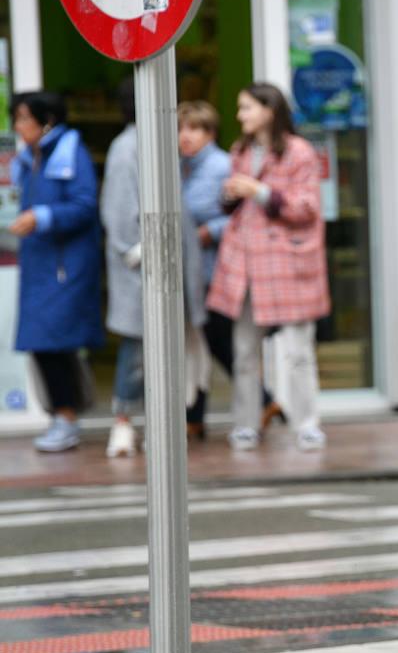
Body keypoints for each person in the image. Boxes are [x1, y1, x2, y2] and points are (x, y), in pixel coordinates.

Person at [207, 82, 329, 452]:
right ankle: (245, 422)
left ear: (268, 110)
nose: (239, 115)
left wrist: (258, 192)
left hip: (287, 264)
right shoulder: (240, 150)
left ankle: (307, 423)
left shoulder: (299, 152)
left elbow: (306, 207)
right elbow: (230, 205)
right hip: (245, 263)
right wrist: (231, 194)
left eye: (246, 108)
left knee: (297, 351)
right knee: (244, 350)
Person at [100, 79, 206, 457]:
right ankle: (123, 422)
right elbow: (118, 209)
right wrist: (137, 250)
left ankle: (156, 423)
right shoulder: (127, 147)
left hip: (162, 259)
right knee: (137, 345)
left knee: (158, 345)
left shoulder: (151, 142)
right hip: (143, 262)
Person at [7, 91, 102, 453]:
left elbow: (83, 205)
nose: (18, 127)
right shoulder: (32, 156)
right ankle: (63, 415)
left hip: (65, 267)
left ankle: (66, 417)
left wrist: (41, 217)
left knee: (54, 341)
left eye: (24, 119)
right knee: (44, 342)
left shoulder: (68, 150)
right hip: (42, 263)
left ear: (46, 120)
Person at [180, 99, 264, 442]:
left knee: (215, 341)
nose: (185, 136)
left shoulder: (220, 165)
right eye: (181, 127)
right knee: (198, 343)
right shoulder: (180, 166)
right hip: (193, 272)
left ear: (210, 133)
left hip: (216, 270)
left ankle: (263, 401)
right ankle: (194, 417)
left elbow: (237, 213)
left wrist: (206, 232)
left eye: (194, 128)